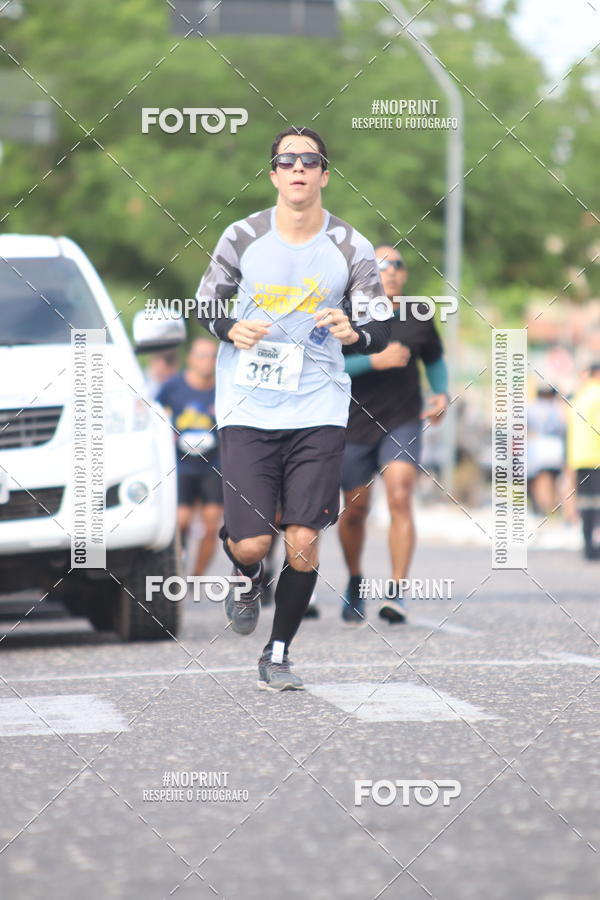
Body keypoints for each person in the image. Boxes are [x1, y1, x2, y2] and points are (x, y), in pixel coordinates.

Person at [196, 126, 390, 691]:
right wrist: (231, 327)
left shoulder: (351, 245)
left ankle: (277, 653)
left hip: (318, 407)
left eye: (310, 160)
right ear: (274, 173)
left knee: (303, 538)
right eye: (288, 160)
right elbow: (205, 303)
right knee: (254, 540)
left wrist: (353, 332)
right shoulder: (243, 235)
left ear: (324, 174)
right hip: (248, 406)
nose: (299, 167)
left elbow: (378, 325)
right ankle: (246, 572)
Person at [338, 246, 449, 624]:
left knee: (400, 495)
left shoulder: (418, 314)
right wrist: (373, 360)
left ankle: (397, 592)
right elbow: (327, 364)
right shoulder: (347, 312)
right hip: (352, 424)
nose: (391, 271)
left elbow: (433, 358)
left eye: (398, 265)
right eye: (381, 265)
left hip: (402, 419)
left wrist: (440, 394)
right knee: (355, 510)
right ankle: (355, 581)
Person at [157, 337, 223, 575]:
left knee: (211, 525)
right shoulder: (173, 387)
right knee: (181, 521)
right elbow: (154, 412)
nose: (208, 362)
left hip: (213, 466)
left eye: (213, 356)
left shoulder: (223, 388)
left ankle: (196, 577)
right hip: (181, 466)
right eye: (203, 356)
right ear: (190, 359)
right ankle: (177, 560)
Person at [567, 363, 600, 560]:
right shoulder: (597, 396)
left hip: (580, 457)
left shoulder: (580, 396)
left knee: (587, 503)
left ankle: (588, 546)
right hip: (596, 456)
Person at [527, 386, 566, 516]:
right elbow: (562, 427)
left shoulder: (531, 408)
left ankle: (544, 507)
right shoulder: (556, 408)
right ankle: (552, 507)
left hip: (538, 448)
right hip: (555, 447)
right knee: (553, 479)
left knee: (541, 478)